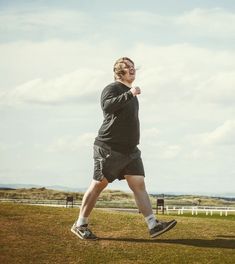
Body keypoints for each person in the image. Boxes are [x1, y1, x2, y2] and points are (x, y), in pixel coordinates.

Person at [71, 57, 177, 240]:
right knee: (98, 184)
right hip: (109, 147)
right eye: (128, 67)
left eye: (134, 67)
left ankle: (153, 224)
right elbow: (107, 106)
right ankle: (80, 224)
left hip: (130, 150)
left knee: (138, 184)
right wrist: (130, 94)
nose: (133, 69)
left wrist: (131, 94)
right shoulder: (112, 89)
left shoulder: (130, 93)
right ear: (119, 71)